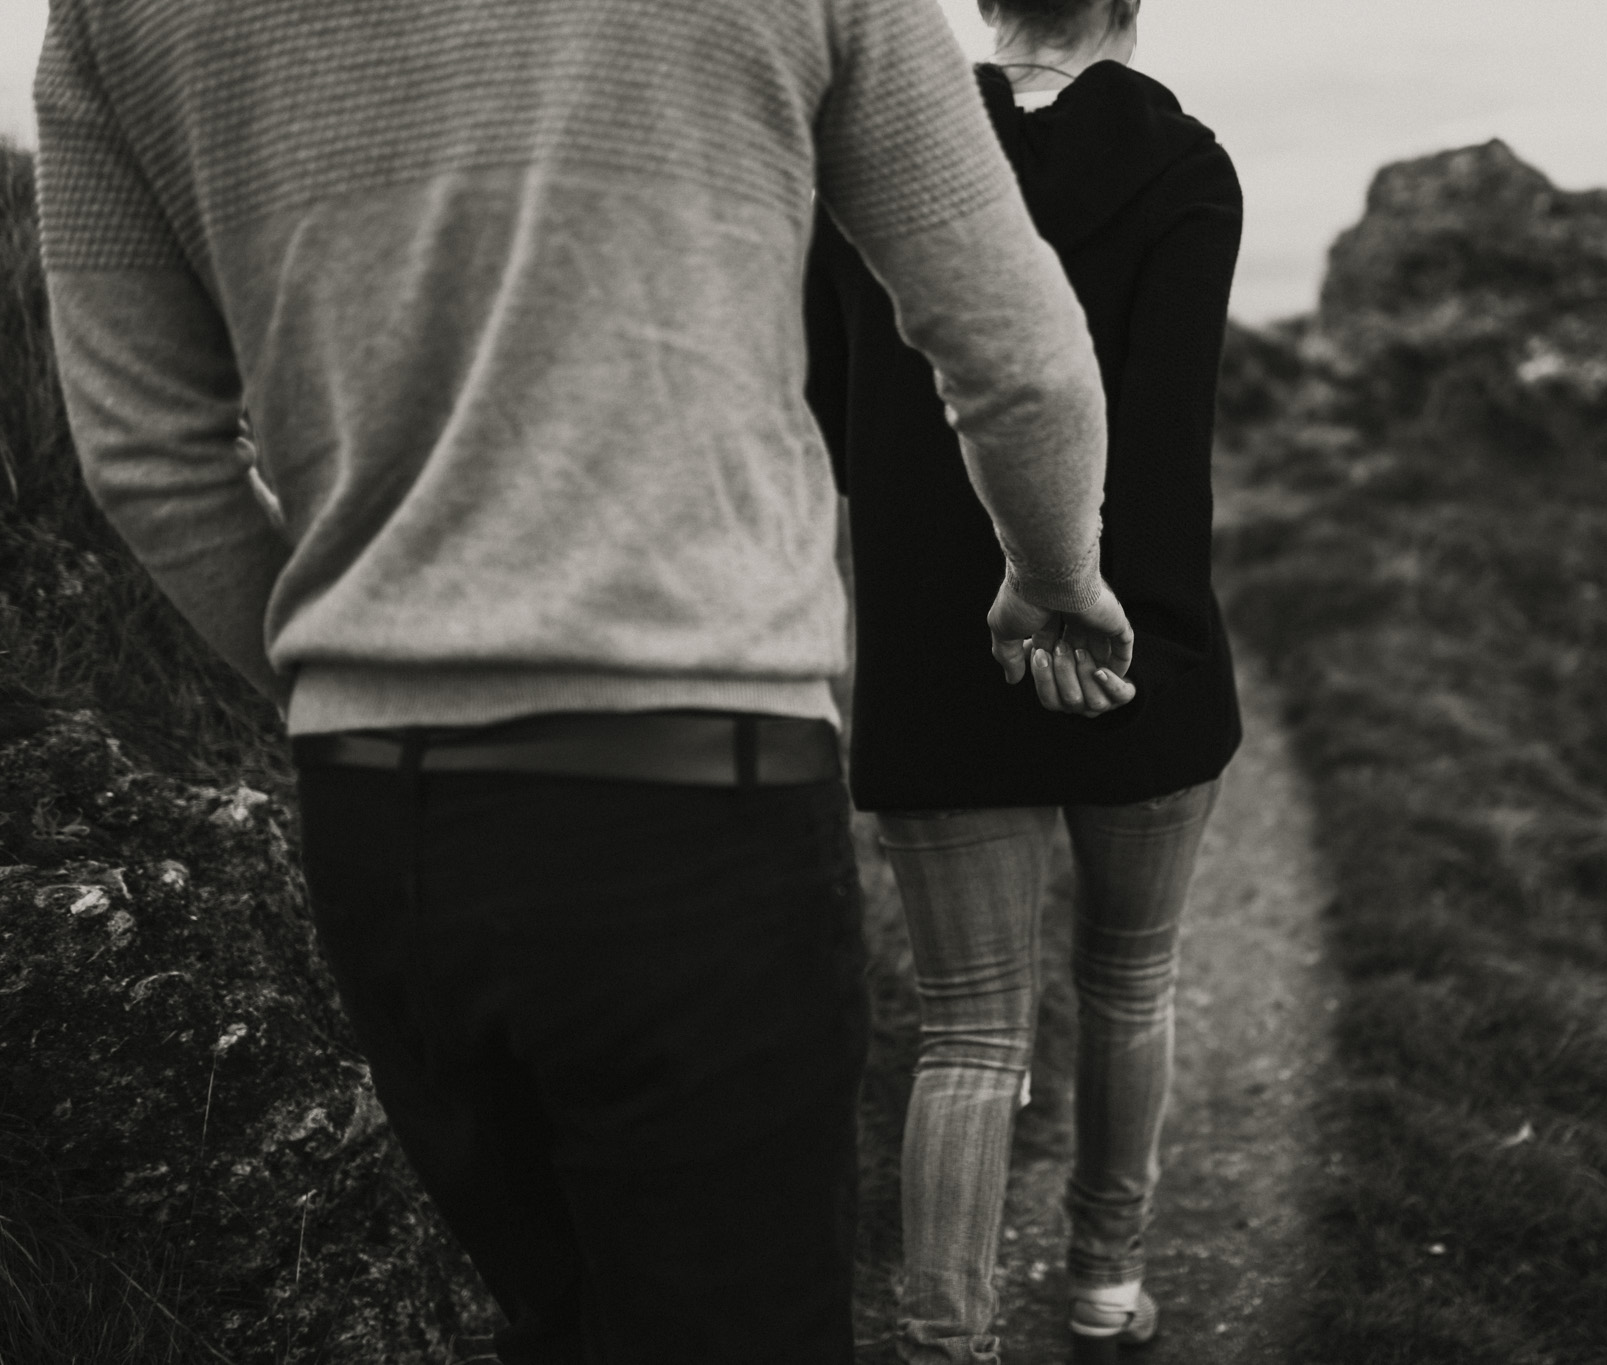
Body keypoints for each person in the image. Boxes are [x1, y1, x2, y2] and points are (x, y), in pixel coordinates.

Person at [34, 0, 1138, 1359]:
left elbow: (146, 451)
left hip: (388, 822)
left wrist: (363, 674)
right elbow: (1021, 359)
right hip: (697, 801)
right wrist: (1053, 573)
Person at [805, 0, 1242, 1358]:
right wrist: (1095, 611)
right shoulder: (1188, 170)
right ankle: (1106, 1284)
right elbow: (1165, 438)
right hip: (1139, 647)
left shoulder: (877, 156)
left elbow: (838, 413)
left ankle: (944, 1340)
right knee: (1129, 982)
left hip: (942, 652)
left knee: (968, 1036)